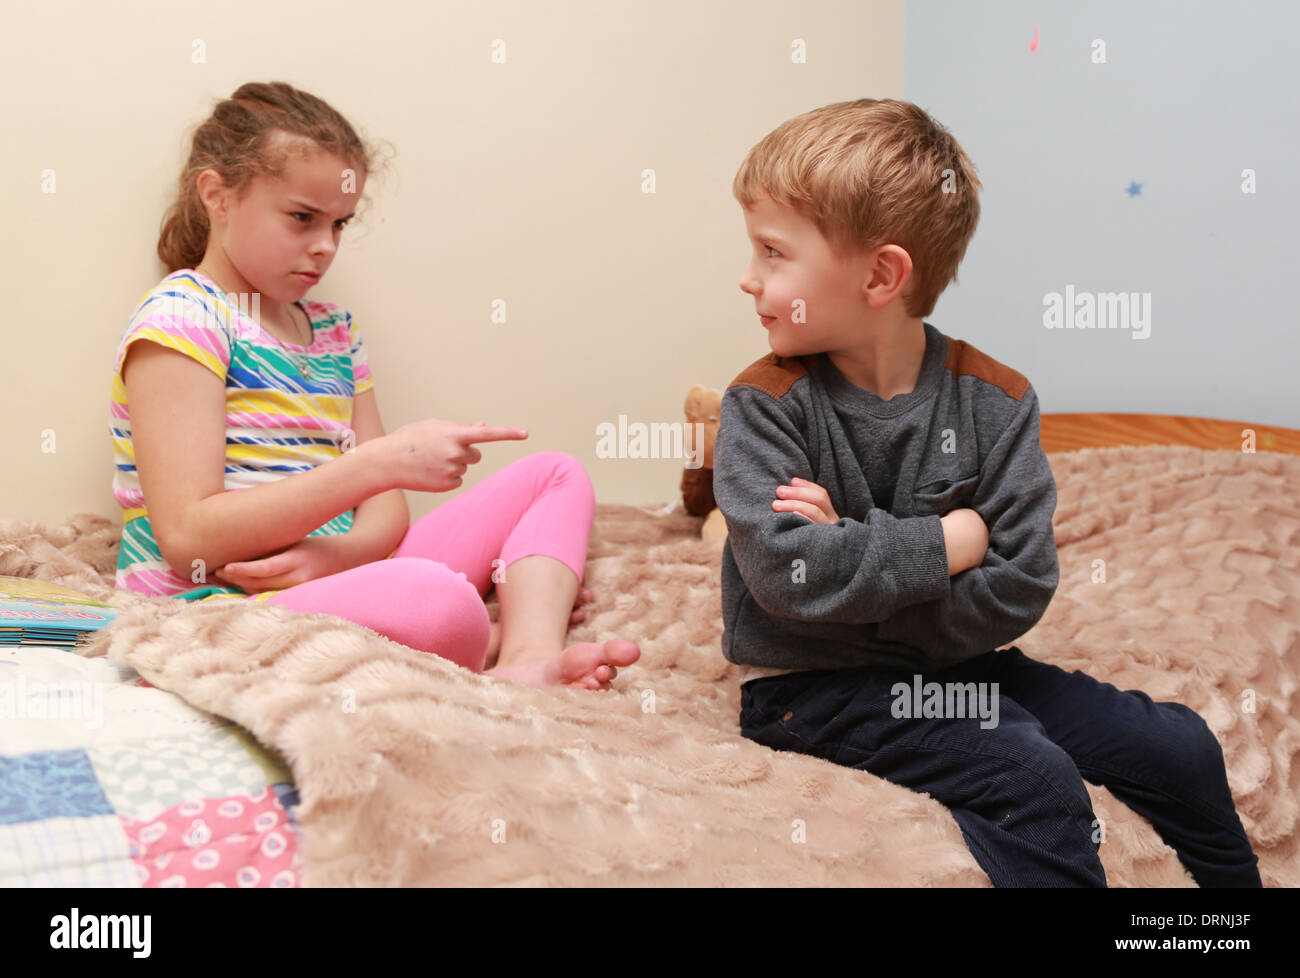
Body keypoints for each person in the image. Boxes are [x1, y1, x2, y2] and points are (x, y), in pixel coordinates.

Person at [714, 98, 1261, 886]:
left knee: (1179, 745)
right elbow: (788, 578)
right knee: (1028, 775)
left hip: (972, 665)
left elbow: (1020, 586)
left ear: (880, 275)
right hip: (818, 689)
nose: (748, 277)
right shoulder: (762, 406)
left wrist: (854, 549)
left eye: (772, 252)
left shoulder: (997, 403)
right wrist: (950, 543)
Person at [109, 81, 639, 692]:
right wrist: (376, 465)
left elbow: (386, 512)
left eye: (339, 224)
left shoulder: (334, 331)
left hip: (341, 576)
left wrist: (338, 555)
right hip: (216, 611)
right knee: (441, 601)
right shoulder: (183, 319)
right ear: (217, 196)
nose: (324, 247)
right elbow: (187, 538)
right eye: (302, 218)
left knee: (555, 475)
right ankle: (465, 634)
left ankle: (525, 655)